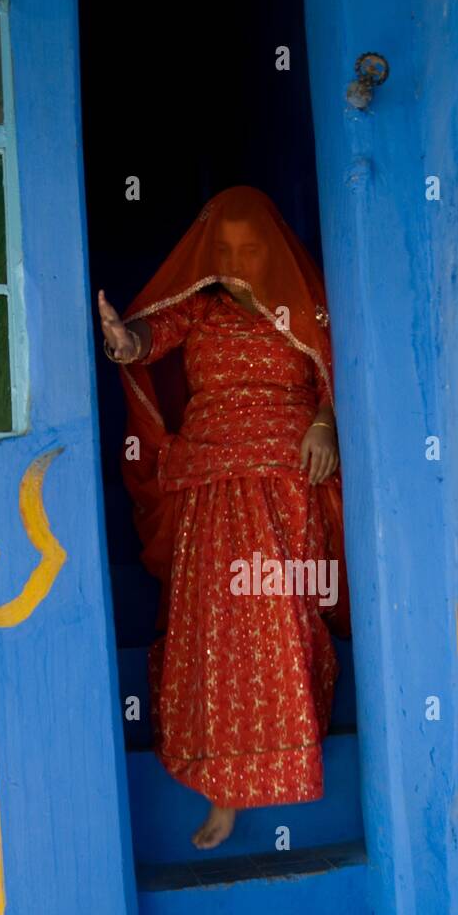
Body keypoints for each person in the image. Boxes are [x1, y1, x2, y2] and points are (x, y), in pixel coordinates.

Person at [96, 185, 350, 850]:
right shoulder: (202, 314)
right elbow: (153, 340)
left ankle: (285, 760)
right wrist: (126, 341)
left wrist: (324, 422)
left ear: (273, 250)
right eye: (226, 250)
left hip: (287, 478)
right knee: (212, 633)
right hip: (209, 482)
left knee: (278, 621)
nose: (238, 262)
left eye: (251, 249)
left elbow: (339, 372)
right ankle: (222, 792)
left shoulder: (305, 308)